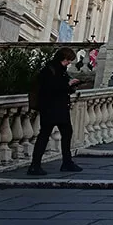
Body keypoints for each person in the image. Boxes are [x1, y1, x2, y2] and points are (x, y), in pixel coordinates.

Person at [28, 47, 82, 175]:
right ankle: (37, 165)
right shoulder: (49, 70)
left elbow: (61, 88)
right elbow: (50, 89)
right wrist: (68, 85)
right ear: (62, 58)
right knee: (46, 135)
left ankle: (64, 162)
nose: (69, 63)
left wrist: (71, 86)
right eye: (67, 60)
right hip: (52, 108)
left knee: (62, 133)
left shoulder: (59, 70)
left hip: (57, 108)